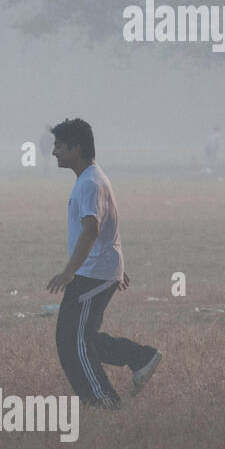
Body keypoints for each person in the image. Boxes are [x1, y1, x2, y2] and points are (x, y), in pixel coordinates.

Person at [46, 119, 160, 409]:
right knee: (80, 337)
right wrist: (115, 269)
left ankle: (102, 403)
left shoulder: (89, 183)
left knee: (73, 341)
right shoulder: (92, 179)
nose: (53, 153)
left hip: (90, 274)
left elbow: (92, 229)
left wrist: (69, 271)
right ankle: (139, 357)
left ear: (76, 147)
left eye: (59, 146)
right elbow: (106, 228)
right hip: (99, 271)